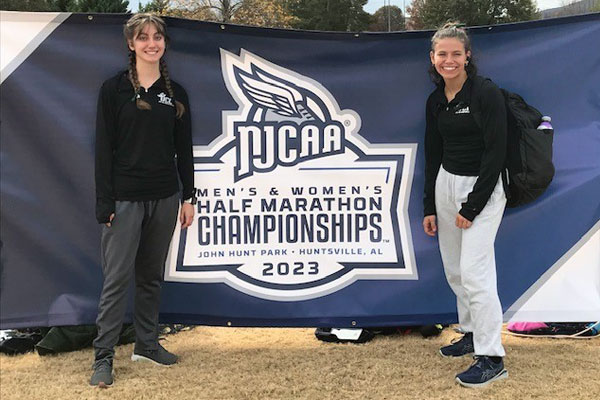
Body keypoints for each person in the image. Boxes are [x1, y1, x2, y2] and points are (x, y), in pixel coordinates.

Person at [91, 13, 195, 388]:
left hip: (166, 198)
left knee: (151, 277)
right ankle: (103, 358)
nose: (151, 43)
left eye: (157, 37)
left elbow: (183, 150)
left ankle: (147, 345)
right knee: (117, 280)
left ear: (164, 43)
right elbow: (103, 150)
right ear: (130, 44)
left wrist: (189, 196)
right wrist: (105, 203)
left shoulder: (176, 93)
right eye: (143, 38)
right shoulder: (114, 89)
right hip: (125, 199)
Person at [422, 22, 508, 388]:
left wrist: (471, 207)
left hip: (483, 188)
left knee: (475, 274)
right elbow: (433, 154)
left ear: (468, 56)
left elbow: (496, 153)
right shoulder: (436, 98)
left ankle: (492, 357)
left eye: (456, 53)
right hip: (446, 183)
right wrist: (430, 204)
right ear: (433, 58)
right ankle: (471, 332)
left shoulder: (485, 93)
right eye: (443, 54)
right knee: (455, 271)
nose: (449, 60)